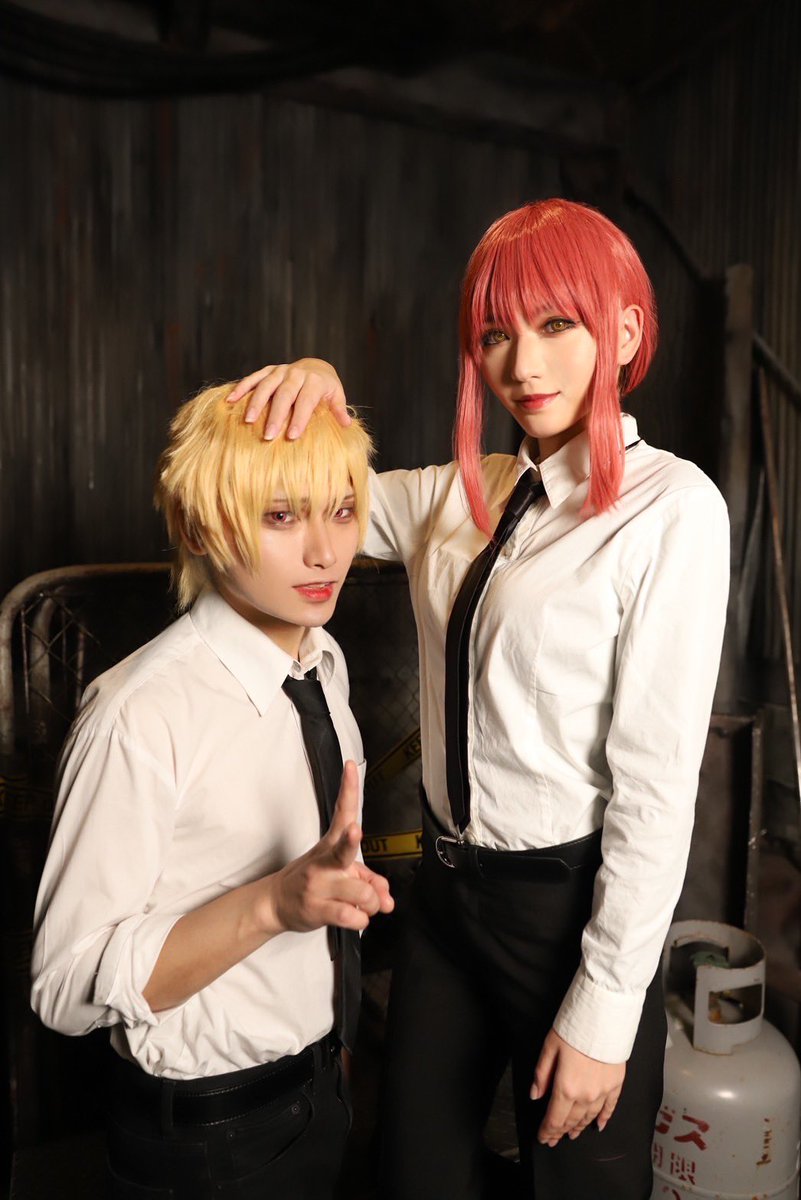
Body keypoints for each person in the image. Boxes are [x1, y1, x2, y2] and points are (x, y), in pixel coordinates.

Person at [228, 198, 731, 1200]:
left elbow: (655, 790)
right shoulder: (463, 492)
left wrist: (604, 1012)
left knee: (579, 1186)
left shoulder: (671, 512)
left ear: (623, 332)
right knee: (413, 1172)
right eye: (496, 334)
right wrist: (321, 391)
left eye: (556, 324)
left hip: (570, 912)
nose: (522, 364)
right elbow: (313, 504)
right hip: (446, 903)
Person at [31, 386, 394, 1200]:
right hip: (205, 1146)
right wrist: (272, 904)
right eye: (280, 517)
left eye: (341, 511)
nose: (324, 552)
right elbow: (63, 987)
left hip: (320, 1096)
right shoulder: (140, 714)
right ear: (200, 529)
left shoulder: (322, 664)